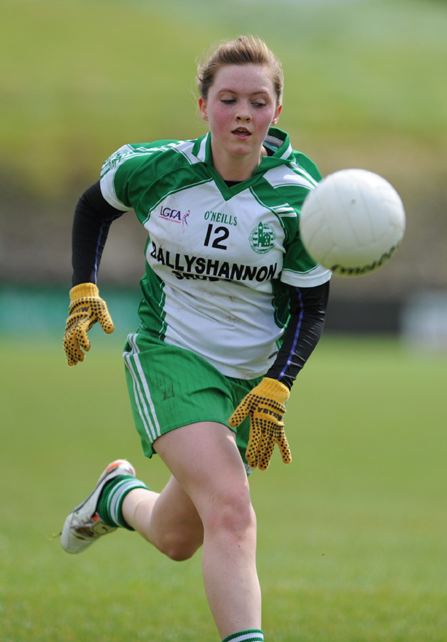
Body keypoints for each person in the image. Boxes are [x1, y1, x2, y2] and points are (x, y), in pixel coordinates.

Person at [60, 35, 331, 642]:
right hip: (170, 353)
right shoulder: (157, 169)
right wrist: (85, 289)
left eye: (258, 102)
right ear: (203, 105)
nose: (243, 113)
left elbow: (312, 307)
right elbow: (93, 206)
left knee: (180, 537)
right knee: (232, 510)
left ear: (276, 112)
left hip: (249, 382)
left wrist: (277, 386)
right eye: (228, 98)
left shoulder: (300, 199)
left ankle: (116, 498)